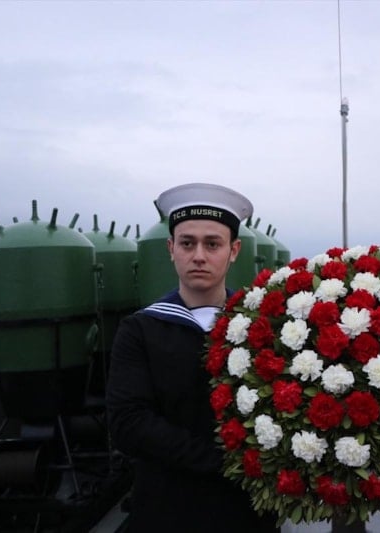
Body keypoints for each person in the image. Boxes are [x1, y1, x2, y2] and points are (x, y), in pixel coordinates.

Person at [106, 183, 277, 532]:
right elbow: (127, 424)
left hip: (247, 511)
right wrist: (223, 462)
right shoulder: (140, 330)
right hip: (167, 509)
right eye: (187, 243)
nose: (199, 255)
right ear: (171, 249)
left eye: (212, 244)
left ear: (234, 250)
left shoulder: (259, 328)